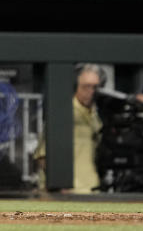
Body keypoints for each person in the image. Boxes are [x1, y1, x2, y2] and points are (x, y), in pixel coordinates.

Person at [34, 63, 103, 193]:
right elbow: (42, 156)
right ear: (75, 86)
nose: (91, 91)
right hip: (66, 191)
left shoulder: (95, 114)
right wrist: (58, 183)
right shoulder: (63, 111)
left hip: (91, 188)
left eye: (95, 87)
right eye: (86, 86)